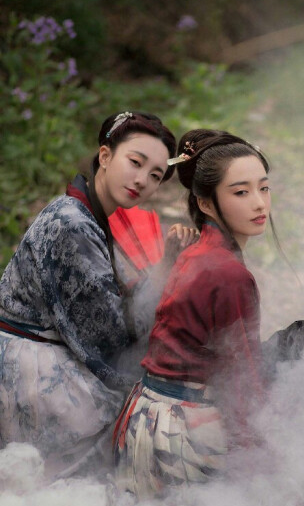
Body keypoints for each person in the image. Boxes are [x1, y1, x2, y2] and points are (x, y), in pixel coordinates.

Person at [0, 110, 193, 479]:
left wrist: (166, 263)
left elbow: (117, 315)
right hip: (30, 370)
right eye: (135, 162)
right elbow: (108, 342)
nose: (143, 180)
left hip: (45, 355)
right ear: (105, 156)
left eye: (155, 175)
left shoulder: (91, 217)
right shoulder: (72, 224)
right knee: (135, 428)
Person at [113, 129, 267, 498]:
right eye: (241, 192)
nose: (259, 204)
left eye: (264, 188)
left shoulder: (194, 254)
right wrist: (262, 454)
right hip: (186, 431)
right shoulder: (228, 274)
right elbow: (241, 375)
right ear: (207, 203)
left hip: (144, 415)